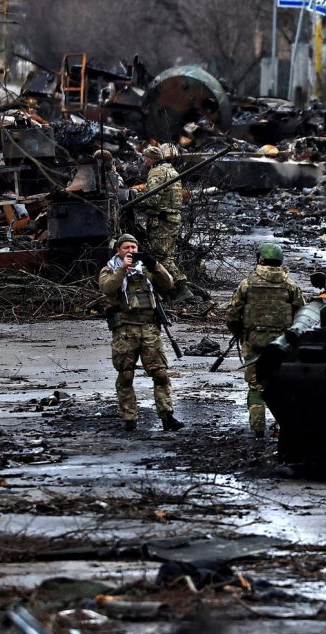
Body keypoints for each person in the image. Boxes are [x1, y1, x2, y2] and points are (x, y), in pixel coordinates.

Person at [98, 233, 184, 432]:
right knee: (126, 375)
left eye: (133, 248)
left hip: (149, 328)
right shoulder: (109, 269)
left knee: (161, 373)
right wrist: (122, 269)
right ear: (119, 250)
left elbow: (168, 284)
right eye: (126, 248)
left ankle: (167, 415)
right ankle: (129, 418)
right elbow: (108, 288)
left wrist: (154, 264)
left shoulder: (146, 269)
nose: (130, 251)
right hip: (125, 329)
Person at [225, 243, 305, 439]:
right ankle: (283, 428)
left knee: (256, 387)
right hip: (283, 345)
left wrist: (240, 333)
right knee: (282, 386)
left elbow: (232, 314)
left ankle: (258, 430)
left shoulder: (247, 284)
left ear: (260, 259)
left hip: (253, 343)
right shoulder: (290, 285)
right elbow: (302, 313)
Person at [135, 144, 193, 303]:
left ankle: (182, 288)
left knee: (161, 257)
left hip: (162, 219)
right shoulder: (172, 170)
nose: (143, 161)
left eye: (144, 158)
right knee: (168, 255)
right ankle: (171, 290)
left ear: (150, 158)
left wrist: (136, 201)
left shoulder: (156, 172)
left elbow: (153, 198)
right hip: (173, 218)